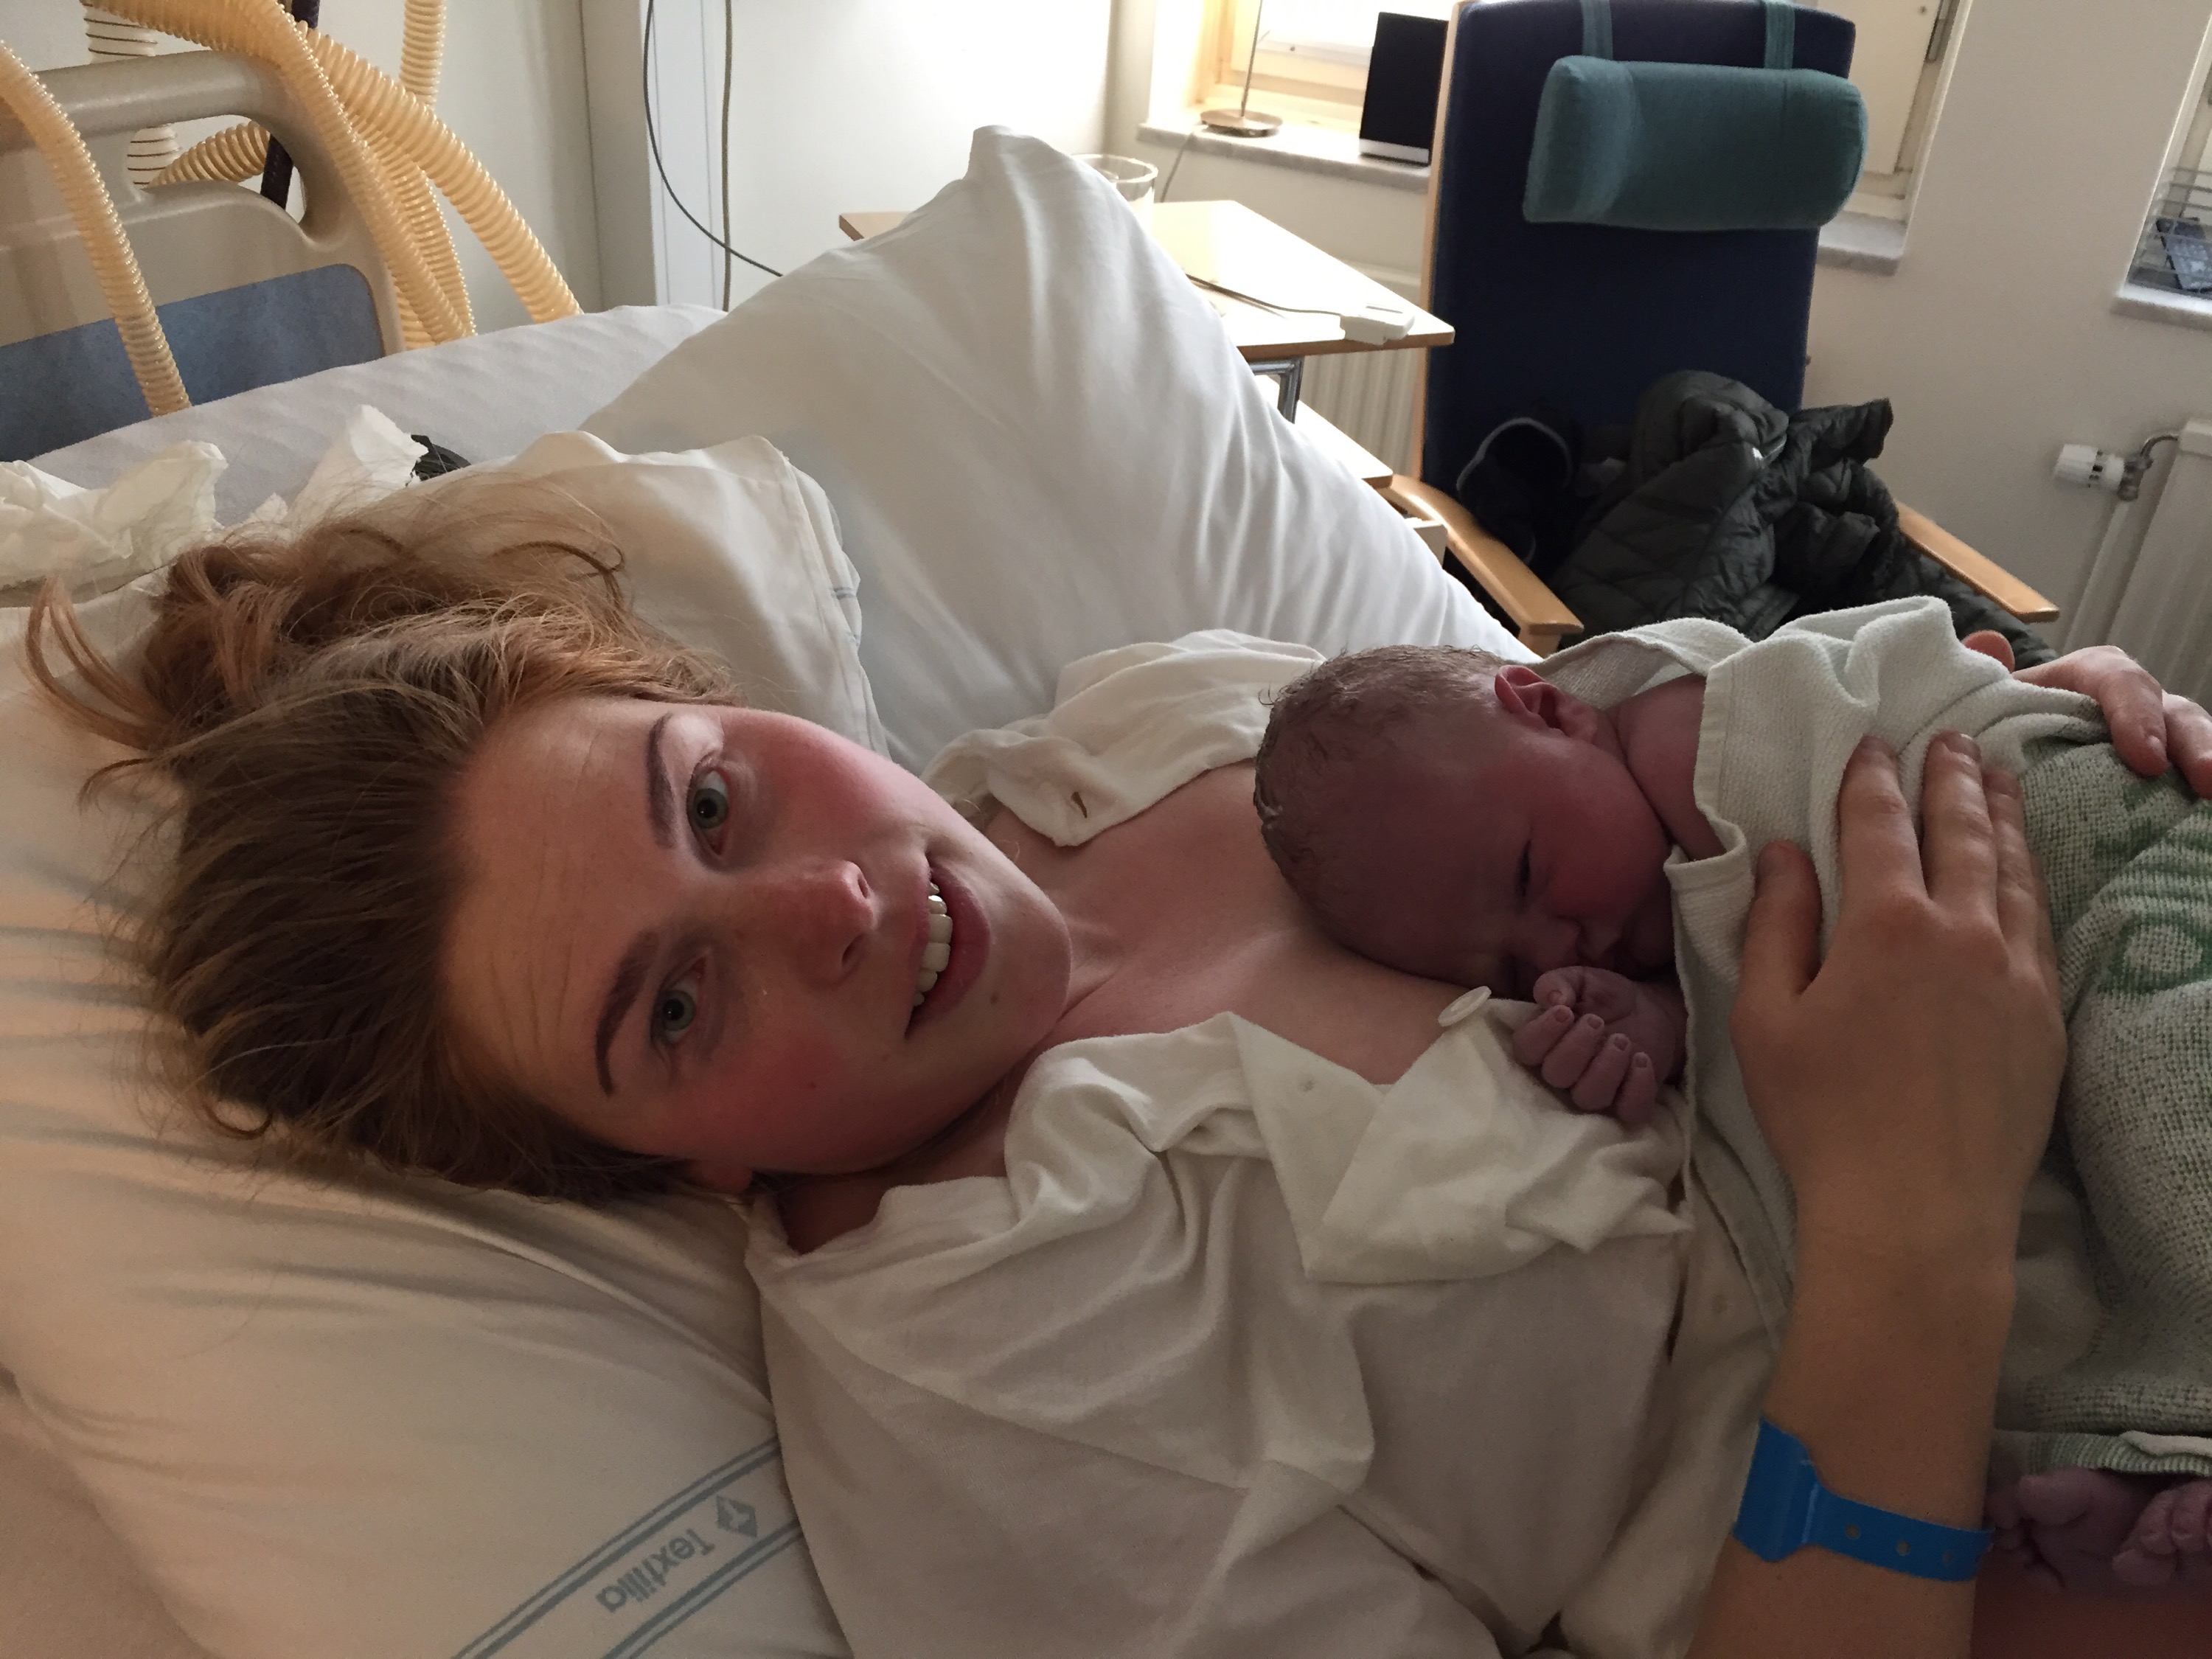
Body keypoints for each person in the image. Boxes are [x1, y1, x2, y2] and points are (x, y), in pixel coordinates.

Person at [26, 490, 2212, 1658]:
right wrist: (1911, 1233)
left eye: (712, 797)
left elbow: (1628, 753)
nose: (830, 906)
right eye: (674, 1010)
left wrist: (2007, 714)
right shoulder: (997, 1423)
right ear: (654, 1169)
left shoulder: (1171, 716)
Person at [1249, 602, 2212, 1600]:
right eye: (1508, 966)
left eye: (1530, 874)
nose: (1557, 941)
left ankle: (2185, 1414)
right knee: (2057, 1248)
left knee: (2168, 1102)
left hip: (2104, 856)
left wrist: (2011, 686)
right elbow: (1773, 998)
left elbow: (1831, 878)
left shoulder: (1692, 727)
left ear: (1552, 709)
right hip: (2013, 994)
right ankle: (2134, 1440)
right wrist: (1657, 1020)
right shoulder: (1654, 869)